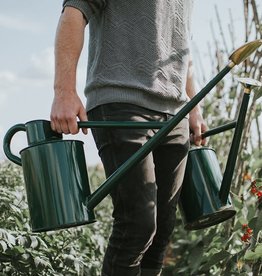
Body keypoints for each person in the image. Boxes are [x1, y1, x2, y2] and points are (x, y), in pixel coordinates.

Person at [50, 1, 207, 275]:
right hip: (122, 102)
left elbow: (182, 46)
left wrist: (193, 108)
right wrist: (64, 91)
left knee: (162, 231)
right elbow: (74, 12)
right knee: (138, 224)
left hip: (174, 114)